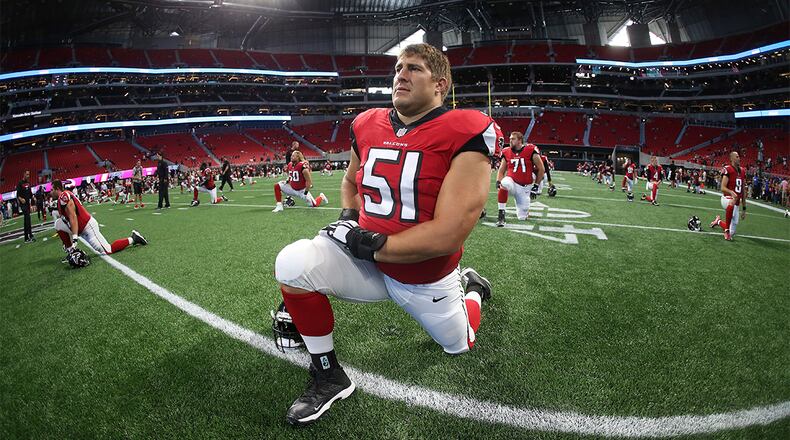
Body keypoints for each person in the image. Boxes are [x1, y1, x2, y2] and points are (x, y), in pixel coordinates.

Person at [273, 43, 501, 426]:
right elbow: (350, 182)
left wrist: (370, 245)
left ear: (440, 84)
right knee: (292, 263)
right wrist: (349, 217)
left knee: (458, 345)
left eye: (414, 69)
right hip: (368, 258)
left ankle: (473, 288)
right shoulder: (366, 123)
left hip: (422, 274)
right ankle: (329, 376)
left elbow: (448, 235)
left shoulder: (467, 129)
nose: (401, 75)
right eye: (398, 68)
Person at [50, 180, 147, 258]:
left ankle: (133, 238)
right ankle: (70, 251)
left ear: (57, 189)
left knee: (108, 250)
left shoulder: (64, 196)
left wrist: (74, 237)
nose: (50, 192)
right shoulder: (60, 201)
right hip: (81, 229)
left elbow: (73, 216)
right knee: (58, 223)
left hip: (88, 227)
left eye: (51, 190)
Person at [494, 131, 544, 226]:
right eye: (510, 139)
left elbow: (541, 169)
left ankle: (524, 210)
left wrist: (536, 185)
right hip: (512, 182)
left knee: (522, 217)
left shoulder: (530, 149)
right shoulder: (506, 151)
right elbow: (501, 170)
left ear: (520, 140)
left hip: (525, 187)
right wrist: (498, 181)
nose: (510, 141)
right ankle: (501, 215)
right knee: (504, 184)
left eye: (513, 139)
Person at [710, 151, 747, 241]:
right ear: (732, 158)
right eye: (737, 156)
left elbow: (743, 191)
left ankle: (718, 221)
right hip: (726, 199)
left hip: (736, 203)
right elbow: (722, 187)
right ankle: (726, 231)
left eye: (739, 156)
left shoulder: (742, 171)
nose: (739, 158)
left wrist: (744, 209)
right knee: (732, 201)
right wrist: (731, 192)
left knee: (732, 232)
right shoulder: (728, 169)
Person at [17, 170, 34, 242]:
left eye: (29, 174)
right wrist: (21, 199)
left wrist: (33, 197)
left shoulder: (28, 183)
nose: (28, 176)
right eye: (27, 174)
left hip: (27, 204)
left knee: (26, 220)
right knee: (28, 219)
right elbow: (18, 195)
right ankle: (30, 235)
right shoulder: (20, 183)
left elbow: (30, 193)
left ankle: (26, 237)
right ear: (24, 174)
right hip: (23, 204)